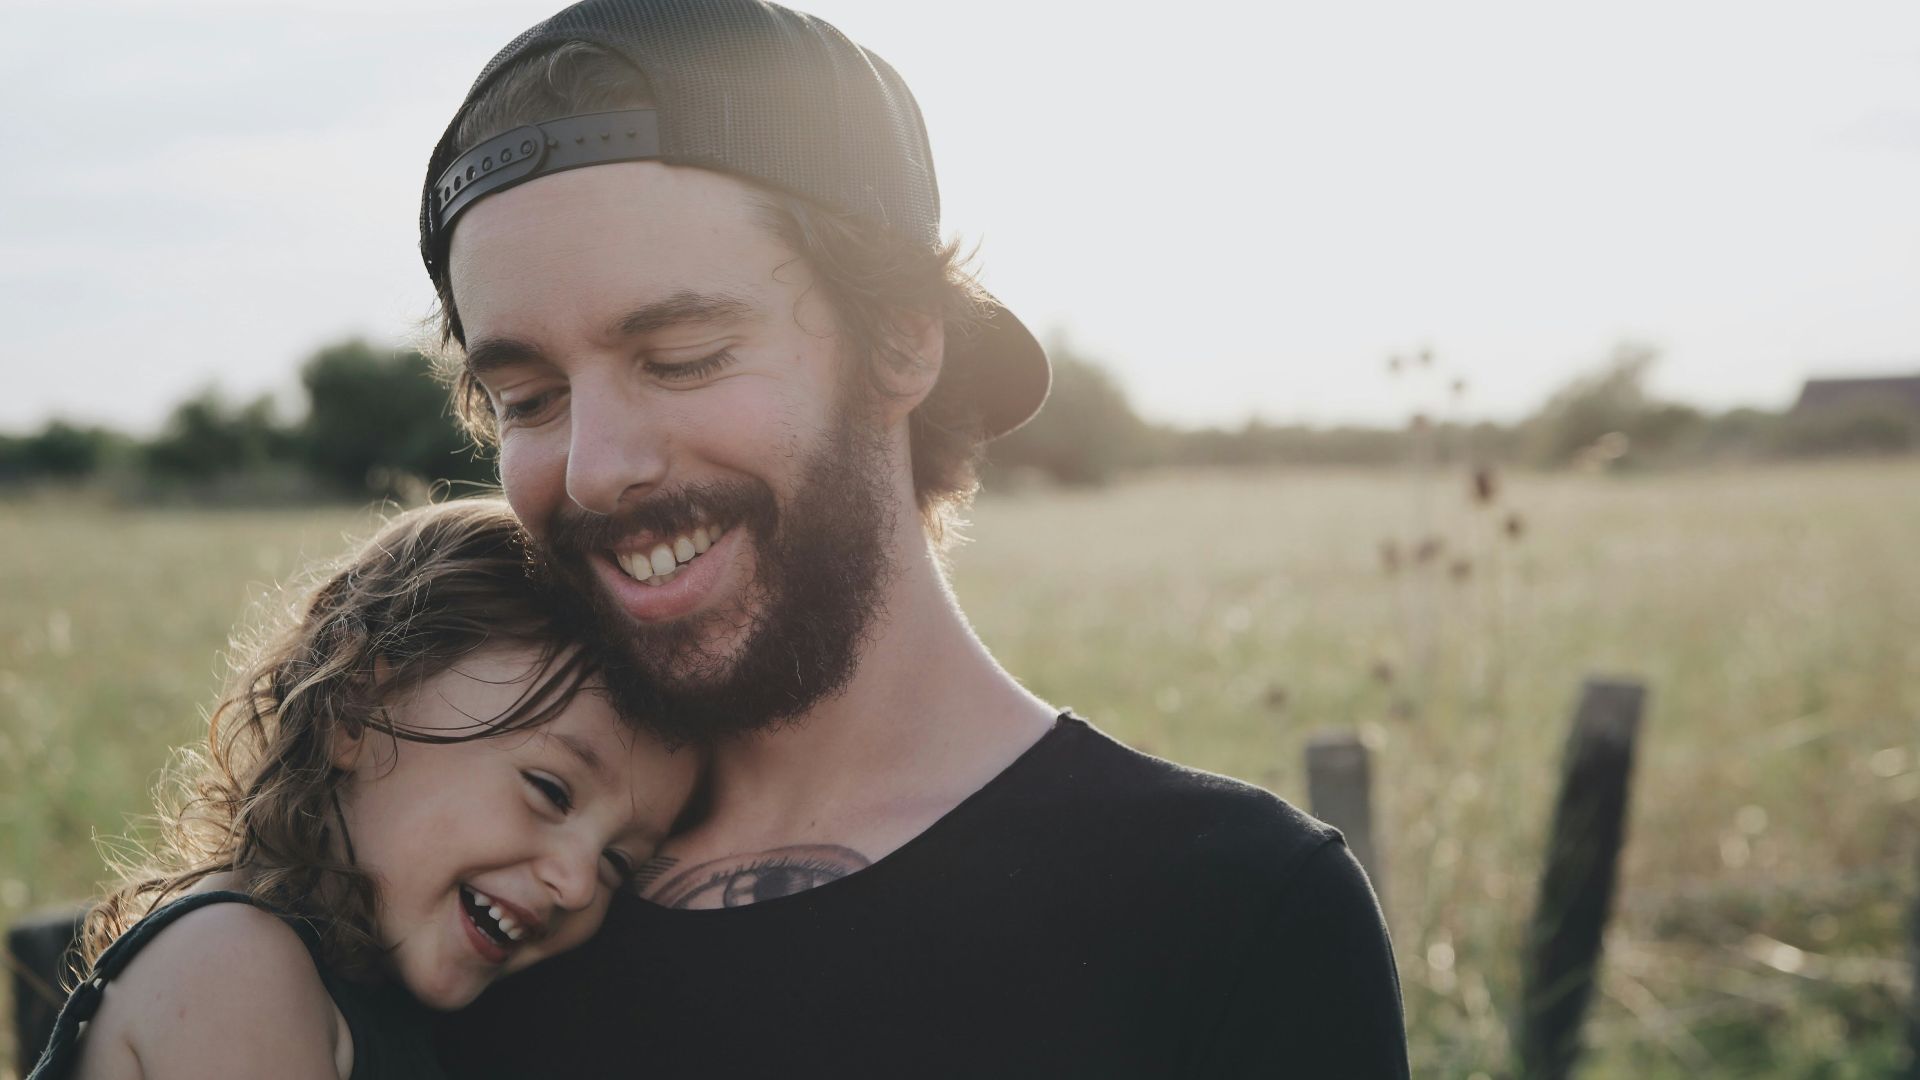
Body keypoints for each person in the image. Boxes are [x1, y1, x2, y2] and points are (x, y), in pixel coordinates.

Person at [426, 1, 1411, 1074]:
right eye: (527, 397)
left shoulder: (1227, 913)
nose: (596, 467)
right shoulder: (472, 897)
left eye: (684, 355)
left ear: (899, 347)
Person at [28, 500, 697, 1080]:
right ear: (356, 706)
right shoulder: (231, 965)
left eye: (619, 863)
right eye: (551, 791)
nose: (579, 884)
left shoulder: (377, 996)